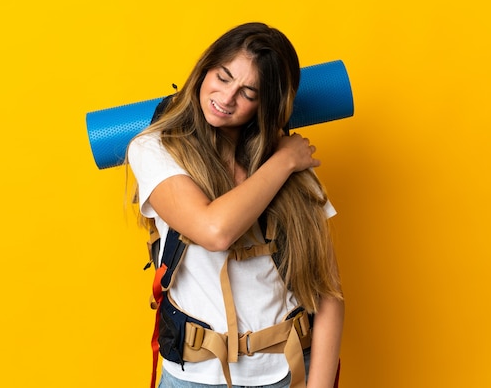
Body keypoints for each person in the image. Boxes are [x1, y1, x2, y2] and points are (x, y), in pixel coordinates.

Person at [128, 22, 344, 388]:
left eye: (248, 92)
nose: (227, 98)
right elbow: (216, 230)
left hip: (288, 374)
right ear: (204, 69)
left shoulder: (292, 167)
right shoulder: (154, 149)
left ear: (266, 105)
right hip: (193, 379)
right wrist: (285, 162)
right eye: (223, 77)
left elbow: (329, 294)